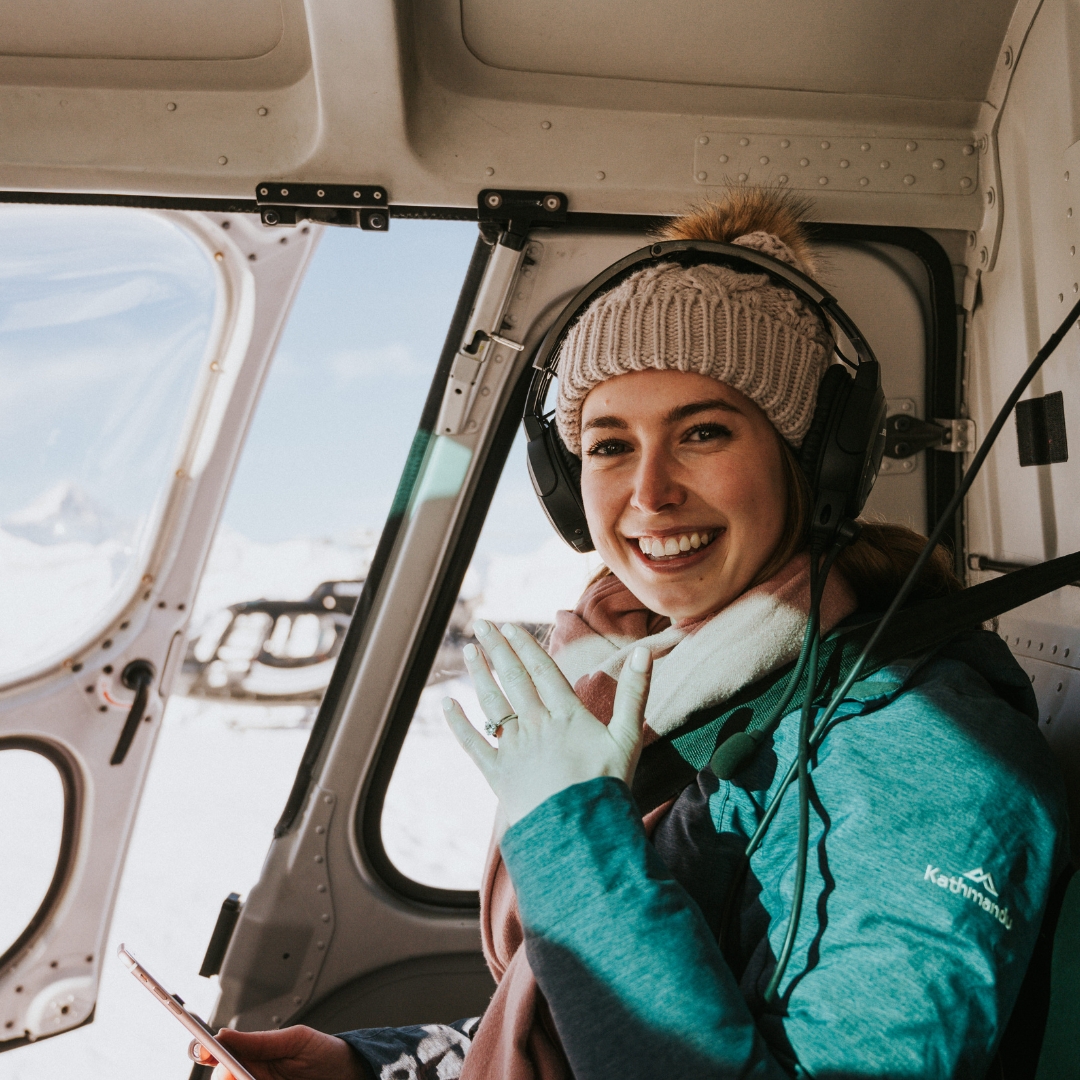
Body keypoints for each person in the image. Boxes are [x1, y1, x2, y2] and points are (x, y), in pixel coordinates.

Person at [199, 189, 1068, 1080]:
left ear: (815, 461)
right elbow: (583, 1028)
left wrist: (568, 838)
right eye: (610, 446)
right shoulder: (667, 683)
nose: (649, 494)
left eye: (702, 432)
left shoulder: (929, 761)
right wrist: (371, 1067)